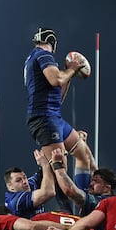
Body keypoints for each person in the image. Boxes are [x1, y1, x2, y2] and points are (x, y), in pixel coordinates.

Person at [23, 27, 91, 173]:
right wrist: (72, 68)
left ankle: (87, 195)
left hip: (53, 117)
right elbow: (56, 79)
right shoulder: (43, 55)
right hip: (45, 119)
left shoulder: (34, 58)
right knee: (59, 173)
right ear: (53, 42)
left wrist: (69, 75)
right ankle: (64, 195)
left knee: (83, 155)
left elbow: (57, 97)